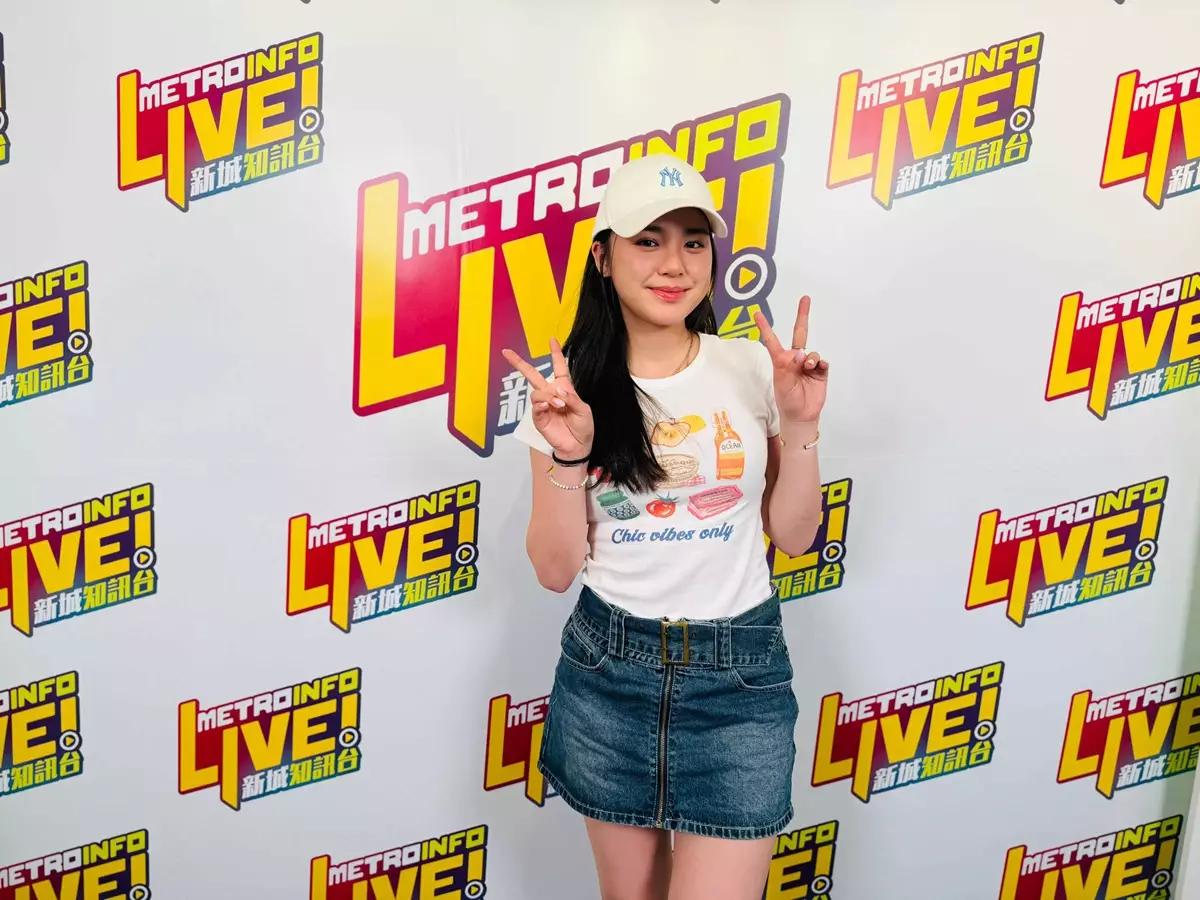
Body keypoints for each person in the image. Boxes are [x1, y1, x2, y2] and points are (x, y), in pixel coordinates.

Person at [504, 153, 829, 900]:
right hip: (609, 675)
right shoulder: (567, 392)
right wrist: (569, 454)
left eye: (692, 242)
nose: (674, 264)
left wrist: (802, 423)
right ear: (603, 257)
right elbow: (554, 570)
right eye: (647, 240)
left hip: (737, 678)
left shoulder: (752, 367)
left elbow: (794, 535)